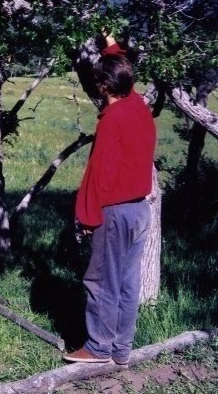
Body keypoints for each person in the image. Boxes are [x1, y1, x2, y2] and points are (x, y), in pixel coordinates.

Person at [63, 37, 157, 366]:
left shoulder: (112, 120)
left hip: (114, 213)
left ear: (104, 85)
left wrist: (88, 219)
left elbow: (99, 177)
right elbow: (119, 65)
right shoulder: (139, 107)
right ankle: (121, 349)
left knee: (101, 280)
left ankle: (98, 348)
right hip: (140, 211)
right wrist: (111, 45)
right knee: (127, 283)